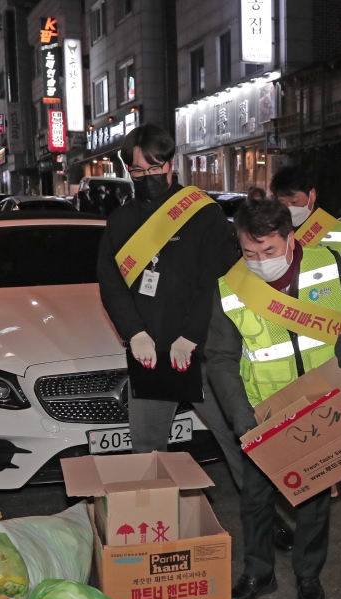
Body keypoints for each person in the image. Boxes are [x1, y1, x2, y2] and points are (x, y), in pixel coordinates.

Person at [206, 199, 341, 599]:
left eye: (268, 251)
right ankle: (258, 572)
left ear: (290, 239)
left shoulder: (328, 262)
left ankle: (308, 574)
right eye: (249, 252)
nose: (259, 261)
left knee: (314, 496)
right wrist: (238, 414)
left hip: (319, 403)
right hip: (262, 409)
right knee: (255, 497)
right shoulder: (232, 286)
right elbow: (220, 358)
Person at [95, 123, 247, 494]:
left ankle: (265, 514)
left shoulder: (203, 213)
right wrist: (134, 333)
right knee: (147, 449)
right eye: (138, 171)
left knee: (239, 438)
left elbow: (216, 280)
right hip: (150, 352)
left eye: (155, 168)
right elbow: (111, 283)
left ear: (171, 164)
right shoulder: (121, 221)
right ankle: (155, 522)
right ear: (127, 171)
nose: (147, 177)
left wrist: (191, 334)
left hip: (206, 350)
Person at [270, 165, 341, 271]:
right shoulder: (271, 229)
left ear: (312, 195)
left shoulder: (335, 229)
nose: (289, 207)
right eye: (282, 203)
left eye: (294, 202)